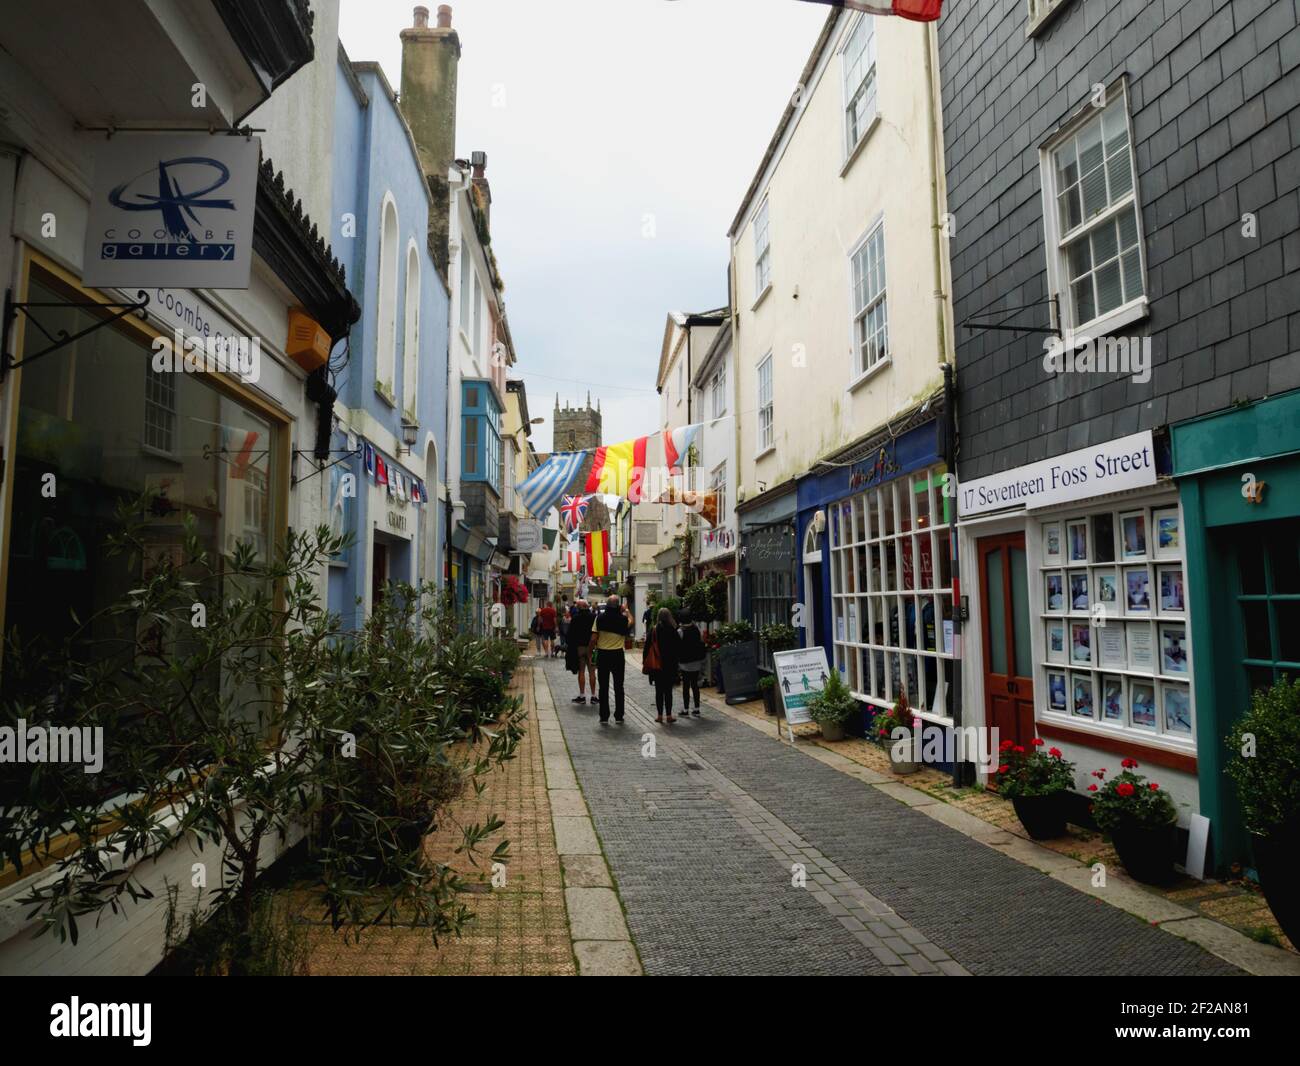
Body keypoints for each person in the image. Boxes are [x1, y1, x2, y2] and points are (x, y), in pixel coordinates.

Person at [590, 594, 632, 723]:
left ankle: (604, 716)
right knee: (619, 686)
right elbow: (631, 622)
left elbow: (593, 638)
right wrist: (627, 612)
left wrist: (592, 650)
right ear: (618, 606)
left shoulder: (599, 618)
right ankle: (619, 716)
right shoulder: (623, 619)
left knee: (603, 686)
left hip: (603, 655)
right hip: (617, 655)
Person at [647, 607, 682, 723]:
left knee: (658, 691)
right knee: (668, 691)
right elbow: (678, 648)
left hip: (657, 665)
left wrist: (646, 663)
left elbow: (647, 648)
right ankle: (669, 715)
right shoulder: (672, 630)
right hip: (669, 665)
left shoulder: (654, 630)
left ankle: (659, 715)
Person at [566, 599, 597, 704]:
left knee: (582, 671)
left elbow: (570, 635)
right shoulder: (594, 617)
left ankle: (582, 695)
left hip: (580, 648)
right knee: (592, 672)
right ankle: (593, 696)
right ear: (587, 606)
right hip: (592, 648)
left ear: (579, 607)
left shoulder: (575, 618)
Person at [677, 610, 706, 717]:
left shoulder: (680, 631)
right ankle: (697, 708)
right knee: (695, 685)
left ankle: (685, 709)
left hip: (685, 663)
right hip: (696, 661)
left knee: (685, 686)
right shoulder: (696, 629)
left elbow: (677, 646)